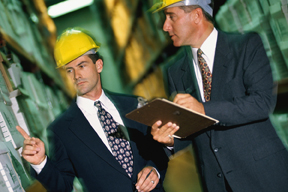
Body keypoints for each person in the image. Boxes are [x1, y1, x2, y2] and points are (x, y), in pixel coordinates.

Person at [150, 0, 288, 191]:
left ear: (197, 15)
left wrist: (203, 109)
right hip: (218, 184)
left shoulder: (245, 46)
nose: (165, 26)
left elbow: (262, 103)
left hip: (263, 176)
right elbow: (192, 128)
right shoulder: (174, 71)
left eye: (171, 16)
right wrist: (172, 139)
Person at [16, 27, 168, 192]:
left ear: (99, 65)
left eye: (82, 66)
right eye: (69, 70)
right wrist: (40, 163)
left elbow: (158, 151)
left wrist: (155, 170)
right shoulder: (61, 130)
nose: (76, 76)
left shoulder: (133, 105)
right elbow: (63, 186)